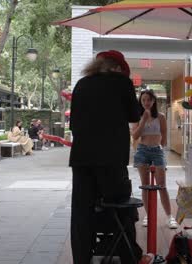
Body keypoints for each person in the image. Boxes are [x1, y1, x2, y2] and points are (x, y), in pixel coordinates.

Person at [69, 50, 153, 264]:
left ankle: (81, 259)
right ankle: (130, 256)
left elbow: (74, 125)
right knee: (121, 204)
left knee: (82, 212)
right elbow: (134, 115)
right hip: (111, 159)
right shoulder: (120, 83)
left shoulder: (82, 84)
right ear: (116, 67)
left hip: (81, 159)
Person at [131, 89, 178, 230]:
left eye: (149, 100)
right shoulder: (137, 116)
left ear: (154, 101)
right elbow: (135, 136)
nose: (146, 102)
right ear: (141, 101)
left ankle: (170, 217)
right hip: (142, 150)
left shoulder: (161, 116)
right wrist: (143, 120)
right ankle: (148, 215)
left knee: (162, 185)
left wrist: (161, 150)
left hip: (157, 151)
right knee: (145, 185)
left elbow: (164, 136)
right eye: (144, 99)